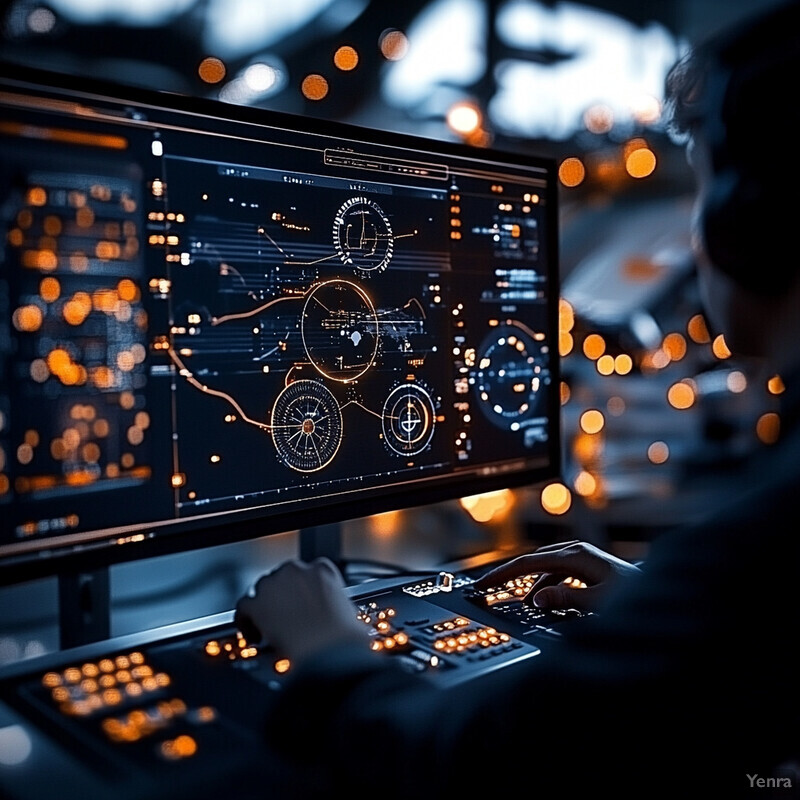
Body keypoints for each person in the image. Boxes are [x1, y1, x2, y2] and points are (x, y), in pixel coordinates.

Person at [235, 2, 800, 796]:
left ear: (753, 221)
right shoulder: (754, 569)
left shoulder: (764, 544)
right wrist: (671, 618)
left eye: (708, 187)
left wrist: (328, 653)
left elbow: (469, 766)